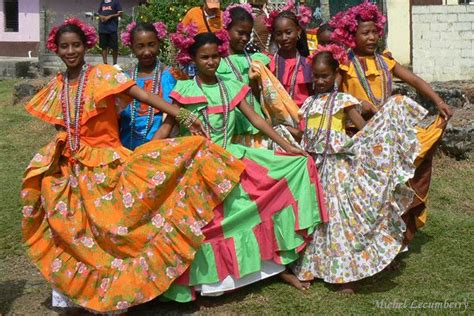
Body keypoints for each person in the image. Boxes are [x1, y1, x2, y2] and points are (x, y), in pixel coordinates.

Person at [21, 18, 244, 313]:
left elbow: (146, 96)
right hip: (73, 168)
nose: (71, 51)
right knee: (74, 230)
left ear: (87, 45)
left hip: (107, 163)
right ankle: (78, 293)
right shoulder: (58, 85)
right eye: (65, 46)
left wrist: (182, 115)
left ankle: (119, 291)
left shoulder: (103, 76)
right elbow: (65, 125)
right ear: (56, 49)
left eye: (76, 45)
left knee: (114, 231)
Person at [161, 28, 327, 301]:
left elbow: (258, 120)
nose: (211, 62)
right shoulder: (184, 90)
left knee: (248, 209)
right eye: (204, 57)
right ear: (193, 59)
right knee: (205, 223)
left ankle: (267, 268)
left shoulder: (231, 86)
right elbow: (168, 127)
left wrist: (287, 147)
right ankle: (205, 283)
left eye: (215, 56)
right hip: (197, 167)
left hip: (233, 159)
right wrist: (142, 153)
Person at [291, 45, 428, 293]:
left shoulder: (343, 101)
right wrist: (281, 131)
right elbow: (304, 134)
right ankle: (316, 267)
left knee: (341, 221)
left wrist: (381, 136)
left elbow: (365, 131)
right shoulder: (308, 104)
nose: (320, 81)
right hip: (314, 171)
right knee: (318, 220)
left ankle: (348, 276)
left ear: (336, 76)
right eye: (316, 76)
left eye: (325, 76)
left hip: (338, 170)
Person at [330, 1, 454, 246]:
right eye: (365, 33)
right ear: (351, 35)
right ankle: (363, 243)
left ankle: (393, 242)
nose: (372, 37)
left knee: (393, 190)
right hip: (358, 137)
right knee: (366, 194)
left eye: (375, 32)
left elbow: (415, 80)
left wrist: (438, 101)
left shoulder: (386, 61)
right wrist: (356, 105)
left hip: (388, 136)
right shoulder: (344, 63)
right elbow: (334, 95)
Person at [217, 4, 269, 147]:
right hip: (231, 129)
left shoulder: (256, 59)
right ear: (226, 30)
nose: (245, 38)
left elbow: (261, 95)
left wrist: (253, 82)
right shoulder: (216, 61)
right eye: (240, 33)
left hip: (257, 127)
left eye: (248, 33)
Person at [119, 22, 177, 150]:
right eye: (140, 46)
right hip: (126, 147)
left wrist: (152, 146)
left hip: (159, 146)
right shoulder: (124, 79)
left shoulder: (169, 76)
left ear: (159, 43)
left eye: (151, 45)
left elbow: (171, 117)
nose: (146, 52)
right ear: (132, 48)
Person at [267, 4, 313, 108]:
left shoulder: (307, 63)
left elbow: (312, 94)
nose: (284, 38)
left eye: (288, 32)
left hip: (302, 118)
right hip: (277, 120)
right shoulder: (268, 63)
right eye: (279, 34)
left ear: (298, 31)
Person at [98, 0, 122, 65]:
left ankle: (115, 64)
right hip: (102, 29)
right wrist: (101, 16)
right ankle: (105, 64)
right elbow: (99, 13)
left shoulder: (116, 2)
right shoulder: (102, 2)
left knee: (114, 47)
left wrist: (110, 16)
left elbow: (120, 13)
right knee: (104, 47)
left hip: (112, 29)